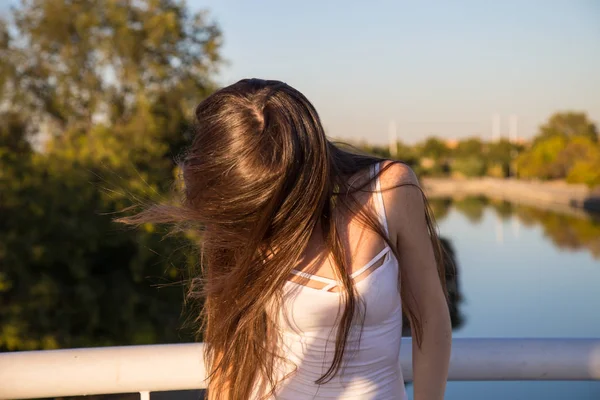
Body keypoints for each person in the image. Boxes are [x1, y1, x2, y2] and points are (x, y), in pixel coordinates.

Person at [120, 79, 451, 399]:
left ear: (305, 172)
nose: (263, 221)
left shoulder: (389, 190)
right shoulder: (237, 220)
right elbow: (228, 356)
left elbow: (431, 317)